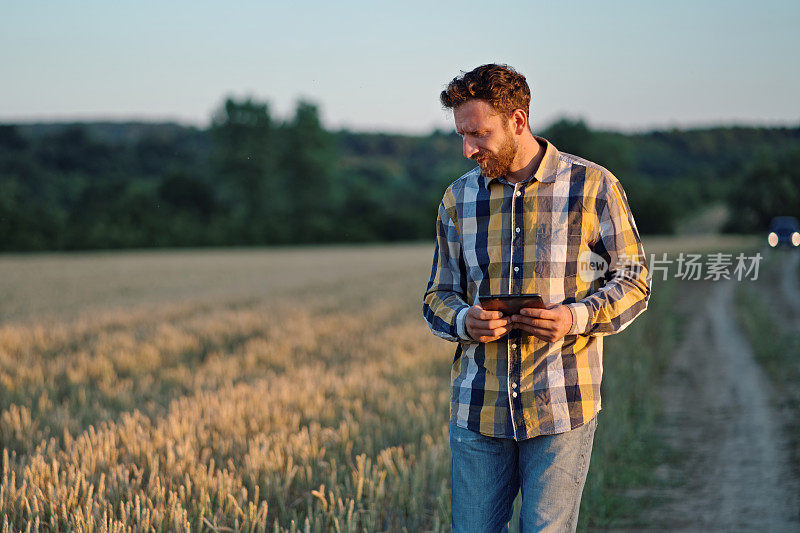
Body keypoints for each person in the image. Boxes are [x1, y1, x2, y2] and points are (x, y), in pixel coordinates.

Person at [422, 64, 651, 532]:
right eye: (462, 135)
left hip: (561, 404)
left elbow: (634, 280)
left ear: (518, 121)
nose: (468, 149)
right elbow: (437, 296)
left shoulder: (594, 186)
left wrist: (575, 317)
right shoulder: (456, 198)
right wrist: (465, 320)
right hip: (478, 409)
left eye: (478, 134)